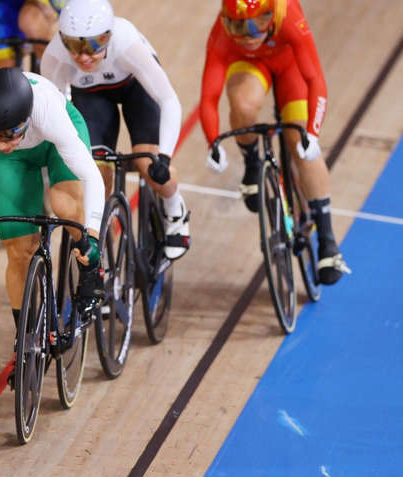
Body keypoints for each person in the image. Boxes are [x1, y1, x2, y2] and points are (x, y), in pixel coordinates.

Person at [0, 68, 105, 365]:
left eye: (11, 135)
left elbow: (92, 178)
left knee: (64, 204)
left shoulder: (47, 110)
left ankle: (92, 271)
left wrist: (92, 235)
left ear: (26, 119)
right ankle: (26, 343)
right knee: (18, 250)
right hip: (18, 160)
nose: (3, 144)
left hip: (55, 142)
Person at [201, 0, 349, 284]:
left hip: (291, 65)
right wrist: (213, 142)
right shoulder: (220, 33)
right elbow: (209, 96)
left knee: (300, 143)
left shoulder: (288, 15)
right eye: (240, 26)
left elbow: (315, 79)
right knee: (242, 106)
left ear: (273, 14)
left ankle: (328, 242)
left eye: (259, 23)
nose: (250, 34)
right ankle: (252, 163)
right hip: (250, 67)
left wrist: (313, 134)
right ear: (226, 21)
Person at [41, 0, 191, 260]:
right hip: (91, 95)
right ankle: (105, 260)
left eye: (93, 46)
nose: (84, 57)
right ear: (63, 40)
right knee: (96, 175)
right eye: (75, 46)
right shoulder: (55, 56)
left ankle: (173, 205)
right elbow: (51, 115)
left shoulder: (127, 44)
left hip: (135, 87)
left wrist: (163, 158)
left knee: (148, 164)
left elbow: (169, 101)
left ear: (108, 37)